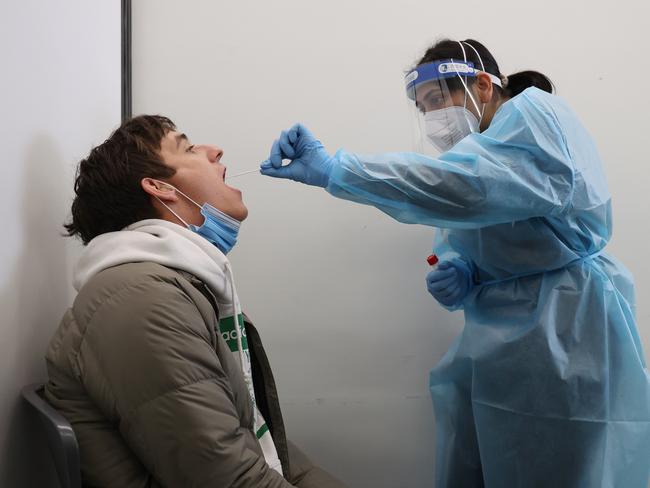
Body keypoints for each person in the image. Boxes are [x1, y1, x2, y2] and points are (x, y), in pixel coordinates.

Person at [259, 39, 650, 487]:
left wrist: (340, 171)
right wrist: (462, 272)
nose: (432, 119)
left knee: (569, 465)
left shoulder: (536, 117)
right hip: (500, 345)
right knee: (490, 463)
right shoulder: (479, 153)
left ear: (482, 85)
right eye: (423, 107)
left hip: (570, 329)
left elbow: (473, 189)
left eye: (437, 99)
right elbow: (462, 227)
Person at [45, 115, 346, 488]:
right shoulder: (142, 301)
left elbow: (269, 451)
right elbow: (227, 479)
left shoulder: (177, 286)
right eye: (187, 148)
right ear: (159, 188)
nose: (215, 151)